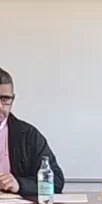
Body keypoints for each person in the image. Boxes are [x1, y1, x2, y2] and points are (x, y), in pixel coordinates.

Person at [0, 67, 64, 196]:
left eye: (5, 99)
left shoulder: (28, 135)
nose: (0, 107)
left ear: (13, 100)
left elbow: (56, 182)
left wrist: (19, 184)